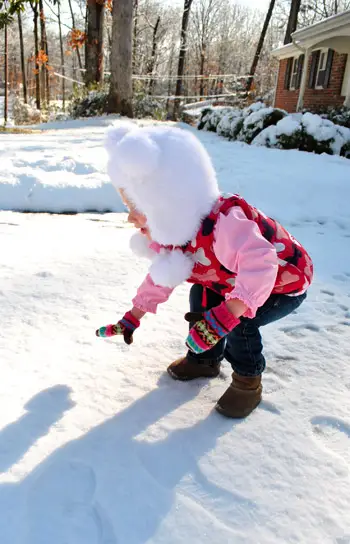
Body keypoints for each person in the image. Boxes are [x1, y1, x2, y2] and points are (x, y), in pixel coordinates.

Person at [96, 121, 313, 419]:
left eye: (136, 207)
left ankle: (248, 382)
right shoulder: (175, 231)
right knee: (201, 292)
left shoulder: (225, 222)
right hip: (231, 281)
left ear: (167, 200)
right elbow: (161, 277)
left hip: (281, 284)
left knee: (239, 320)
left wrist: (227, 314)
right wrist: (133, 316)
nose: (131, 219)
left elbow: (262, 262)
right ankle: (204, 360)